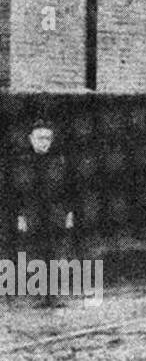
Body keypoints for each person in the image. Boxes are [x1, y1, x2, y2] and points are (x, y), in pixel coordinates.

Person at [12, 117, 72, 307]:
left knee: (56, 254)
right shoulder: (21, 162)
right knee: (35, 254)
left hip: (55, 215)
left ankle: (55, 296)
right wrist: (20, 216)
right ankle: (39, 296)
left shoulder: (60, 161)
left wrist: (69, 213)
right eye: (40, 138)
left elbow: (70, 188)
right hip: (33, 215)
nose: (44, 142)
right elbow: (14, 192)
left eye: (47, 138)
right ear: (30, 139)